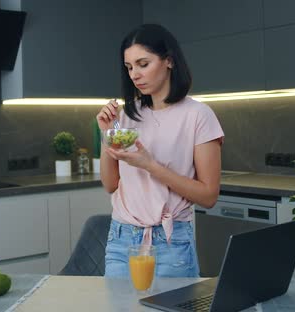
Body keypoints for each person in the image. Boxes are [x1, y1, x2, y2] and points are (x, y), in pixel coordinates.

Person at [96, 24, 225, 278]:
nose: (134, 74)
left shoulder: (198, 116)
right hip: (122, 240)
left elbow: (209, 196)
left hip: (170, 242)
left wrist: (150, 165)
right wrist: (107, 134)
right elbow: (110, 184)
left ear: (169, 61)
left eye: (143, 64)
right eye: (129, 67)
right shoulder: (126, 115)